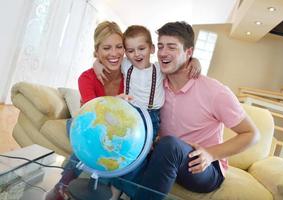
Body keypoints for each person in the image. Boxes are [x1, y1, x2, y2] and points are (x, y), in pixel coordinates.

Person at [117, 21, 259, 200]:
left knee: (169, 145)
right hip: (166, 156)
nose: (163, 53)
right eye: (160, 47)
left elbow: (252, 134)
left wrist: (211, 154)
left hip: (204, 166)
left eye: (172, 47)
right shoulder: (159, 84)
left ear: (189, 52)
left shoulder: (215, 92)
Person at [93, 24, 201, 199]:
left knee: (139, 155)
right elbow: (107, 58)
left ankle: (130, 190)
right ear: (126, 53)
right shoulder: (126, 65)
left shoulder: (160, 68)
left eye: (141, 48)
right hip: (129, 114)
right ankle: (113, 191)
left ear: (151, 48)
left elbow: (180, 63)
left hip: (151, 118)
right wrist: (96, 64)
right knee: (121, 150)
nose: (137, 54)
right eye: (131, 50)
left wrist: (194, 61)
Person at [45, 20, 125, 200]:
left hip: (113, 128)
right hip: (83, 122)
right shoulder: (87, 78)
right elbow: (93, 112)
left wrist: (194, 61)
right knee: (94, 134)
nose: (114, 53)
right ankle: (62, 185)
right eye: (106, 48)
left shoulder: (132, 74)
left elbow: (153, 68)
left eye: (119, 46)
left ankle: (107, 190)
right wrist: (115, 102)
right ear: (96, 51)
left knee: (110, 137)